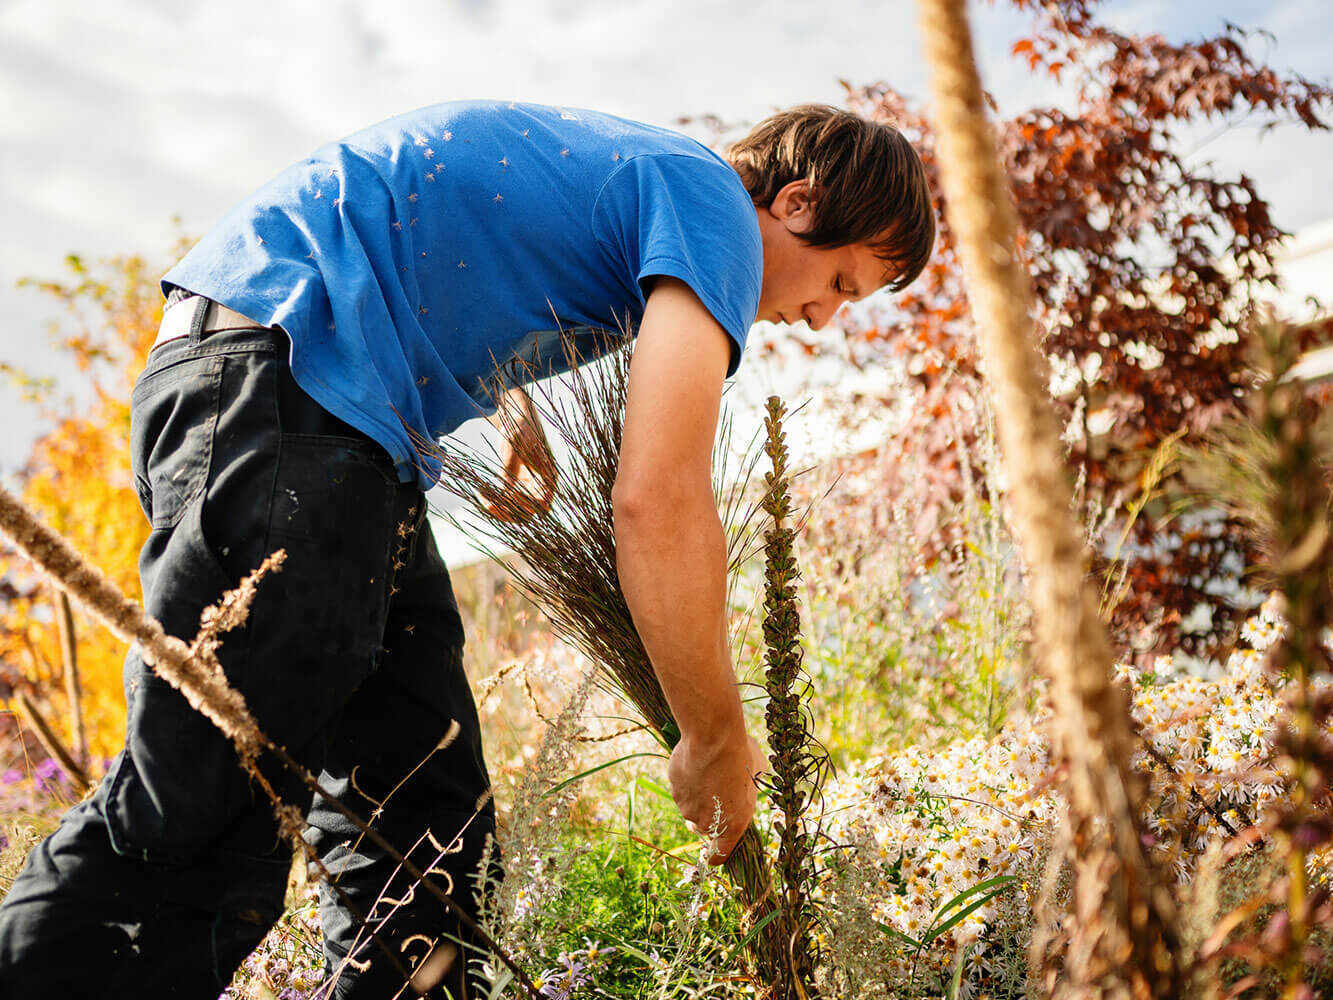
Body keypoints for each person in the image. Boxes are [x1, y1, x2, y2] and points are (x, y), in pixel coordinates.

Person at [0, 98, 934, 998]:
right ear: (797, 202)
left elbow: (453, 212)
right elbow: (660, 502)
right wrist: (714, 738)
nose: (822, 319)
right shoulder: (716, 209)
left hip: (337, 424)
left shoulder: (645, 175)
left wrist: (508, 395)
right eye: (841, 284)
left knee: (424, 838)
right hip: (288, 396)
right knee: (202, 813)